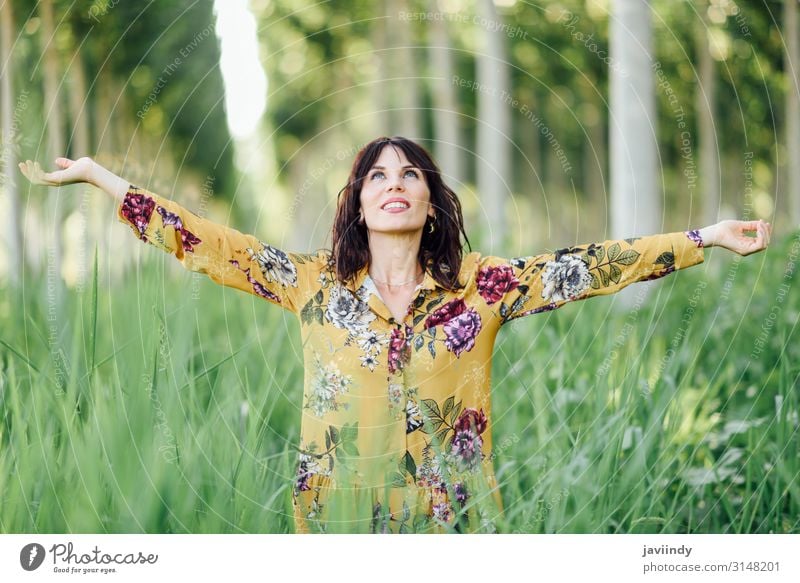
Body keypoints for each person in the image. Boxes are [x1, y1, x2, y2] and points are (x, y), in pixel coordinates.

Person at [19, 136, 772, 533]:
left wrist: (705, 235)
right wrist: (101, 180)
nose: (394, 183)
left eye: (409, 173)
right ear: (358, 202)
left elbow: (590, 266)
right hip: (336, 529)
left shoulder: (484, 288)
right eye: (377, 175)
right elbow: (206, 241)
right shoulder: (311, 283)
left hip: (458, 530)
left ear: (433, 204)